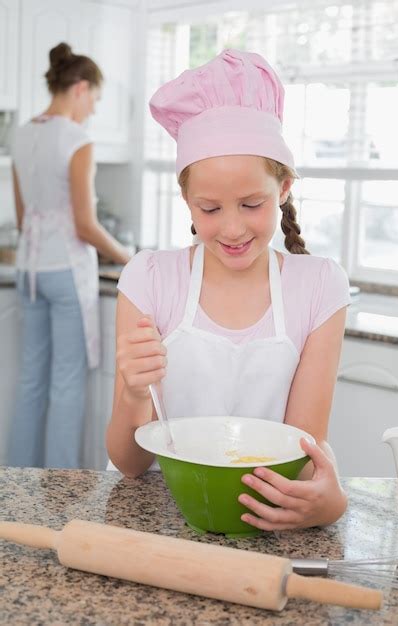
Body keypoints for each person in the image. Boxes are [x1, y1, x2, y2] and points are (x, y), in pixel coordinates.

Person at [106, 49, 351, 530]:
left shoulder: (320, 287)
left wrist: (330, 501)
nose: (233, 228)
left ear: (282, 188)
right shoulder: (149, 279)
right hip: (163, 519)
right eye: (211, 209)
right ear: (187, 201)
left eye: (251, 203)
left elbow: (301, 453)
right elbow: (130, 465)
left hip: (265, 513)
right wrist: (134, 394)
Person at [9, 42, 131, 469]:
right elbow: (84, 224)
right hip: (66, 272)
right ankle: (60, 493)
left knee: (30, 381)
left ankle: (13, 495)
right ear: (80, 88)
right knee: (65, 385)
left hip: (30, 271)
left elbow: (24, 218)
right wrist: (126, 255)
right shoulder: (78, 140)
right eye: (95, 99)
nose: (93, 110)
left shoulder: (21, 134)